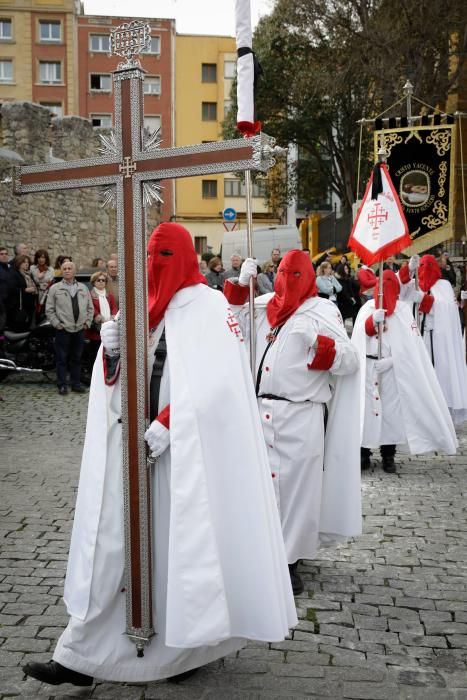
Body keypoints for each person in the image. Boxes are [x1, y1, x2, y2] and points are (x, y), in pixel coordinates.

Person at [23, 222, 297, 687]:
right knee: (115, 547)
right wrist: (109, 356)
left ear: (186, 259)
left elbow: (223, 383)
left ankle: (185, 651)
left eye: (164, 256)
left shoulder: (208, 308)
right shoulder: (141, 308)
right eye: (149, 256)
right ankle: (80, 656)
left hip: (182, 456)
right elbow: (120, 379)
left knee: (181, 554)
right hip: (132, 452)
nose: (155, 266)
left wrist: (172, 422)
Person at [223, 251, 361, 596]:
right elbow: (230, 326)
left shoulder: (322, 312)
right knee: (259, 488)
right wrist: (242, 287)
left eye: (294, 274)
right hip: (257, 410)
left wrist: (318, 342)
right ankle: (259, 552)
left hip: (300, 414)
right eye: (282, 272)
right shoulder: (263, 303)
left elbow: (348, 362)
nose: (287, 280)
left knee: (297, 492)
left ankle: (289, 562)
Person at [352, 270, 457, 473]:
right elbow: (358, 339)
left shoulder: (402, 311)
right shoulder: (367, 308)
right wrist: (371, 322)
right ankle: (363, 453)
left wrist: (392, 360)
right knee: (366, 411)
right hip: (369, 367)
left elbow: (411, 347)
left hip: (391, 369)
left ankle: (388, 454)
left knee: (390, 413)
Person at [399, 254, 467, 424]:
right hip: (419, 336)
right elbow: (402, 292)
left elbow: (446, 309)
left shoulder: (443, 285)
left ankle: (441, 407)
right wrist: (410, 269)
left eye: (427, 265)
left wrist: (424, 300)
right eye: (421, 265)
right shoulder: (416, 283)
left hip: (438, 338)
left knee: (439, 371)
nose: (424, 269)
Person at [46, 260, 94, 396]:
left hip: (79, 329)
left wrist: (87, 323)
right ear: (61, 271)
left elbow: (90, 308)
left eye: (69, 268)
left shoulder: (83, 288)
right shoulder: (55, 288)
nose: (67, 270)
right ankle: (62, 385)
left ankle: (76, 384)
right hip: (63, 329)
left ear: (74, 271)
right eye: (64, 268)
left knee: (77, 358)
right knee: (62, 359)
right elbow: (49, 310)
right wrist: (57, 324)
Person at [85, 271, 117, 366]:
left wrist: (112, 317)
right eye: (98, 280)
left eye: (103, 280)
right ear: (94, 282)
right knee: (95, 354)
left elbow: (114, 307)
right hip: (96, 330)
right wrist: (100, 318)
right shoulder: (90, 295)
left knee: (107, 354)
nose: (101, 282)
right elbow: (90, 308)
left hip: (109, 328)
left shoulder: (109, 295)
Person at [6, 255, 38, 331]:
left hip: (30, 306)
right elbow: (11, 289)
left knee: (28, 327)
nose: (27, 264)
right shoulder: (14, 274)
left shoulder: (28, 274)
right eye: (24, 262)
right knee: (19, 328)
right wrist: (25, 290)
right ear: (18, 263)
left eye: (27, 262)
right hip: (19, 307)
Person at [30, 249, 54, 322]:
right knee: (34, 314)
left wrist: (39, 280)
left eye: (43, 257)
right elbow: (31, 281)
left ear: (46, 258)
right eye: (39, 257)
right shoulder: (32, 268)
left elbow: (51, 282)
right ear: (36, 258)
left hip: (46, 295)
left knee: (45, 314)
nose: (41, 259)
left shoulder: (50, 269)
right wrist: (38, 278)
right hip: (35, 295)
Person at [335, 262, 361, 327]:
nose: (347, 270)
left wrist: (353, 298)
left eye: (347, 268)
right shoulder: (338, 279)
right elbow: (343, 291)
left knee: (354, 315)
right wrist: (350, 299)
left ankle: (354, 330)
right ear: (341, 270)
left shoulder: (348, 278)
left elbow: (351, 290)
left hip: (349, 301)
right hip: (342, 302)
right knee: (343, 318)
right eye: (345, 269)